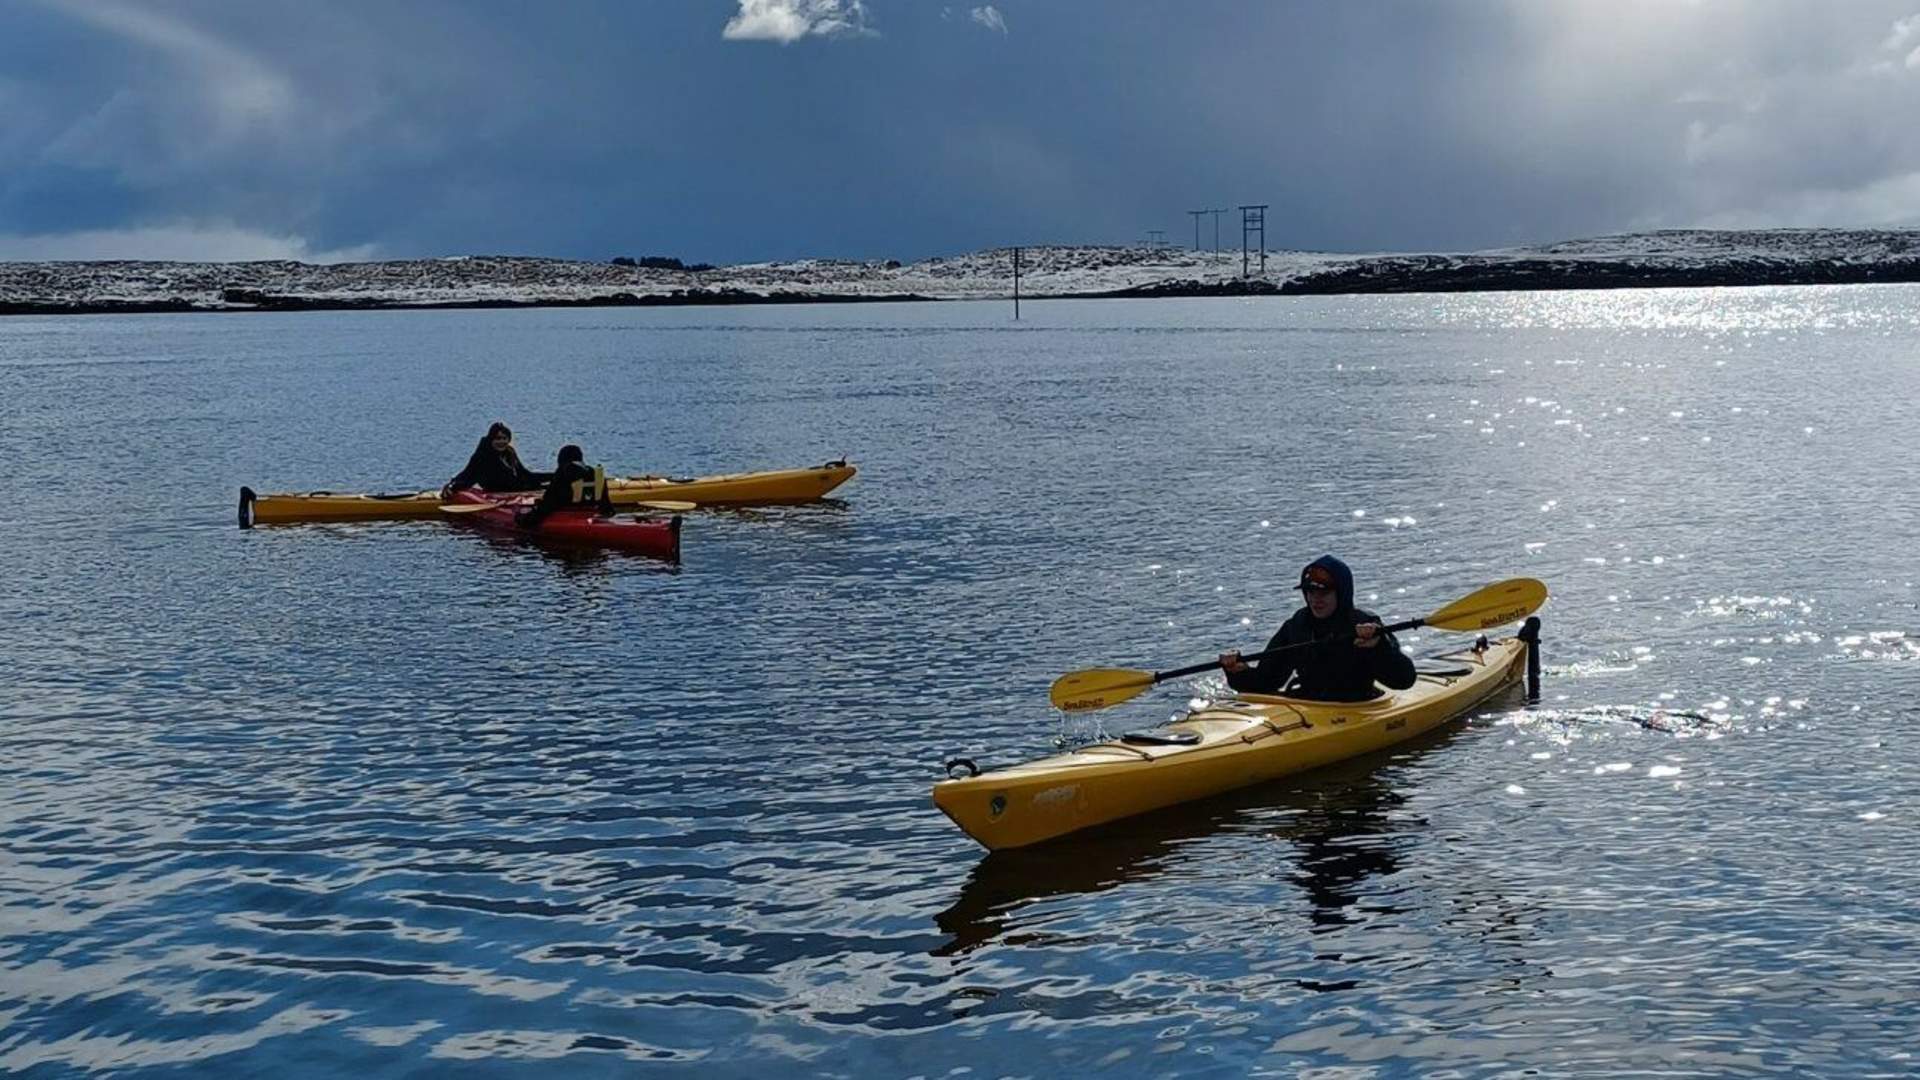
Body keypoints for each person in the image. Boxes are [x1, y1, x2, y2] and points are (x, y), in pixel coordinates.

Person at [1218, 555, 1417, 702]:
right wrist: (1238, 671)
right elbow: (1266, 681)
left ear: (1341, 593)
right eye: (1310, 592)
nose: (1315, 599)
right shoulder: (1296, 625)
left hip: (1356, 706)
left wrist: (1377, 646)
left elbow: (1404, 680)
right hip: (1308, 705)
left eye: (1324, 592)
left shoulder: (1364, 625)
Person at [441, 422, 549, 498]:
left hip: (517, 489)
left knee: (549, 485)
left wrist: (554, 476)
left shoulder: (509, 452)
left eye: (504, 438)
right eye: (497, 438)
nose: (501, 442)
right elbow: (468, 474)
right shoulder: (483, 455)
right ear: (490, 439)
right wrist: (452, 486)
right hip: (496, 492)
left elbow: (525, 474)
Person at [515, 444, 608, 528]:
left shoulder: (563, 472)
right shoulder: (593, 472)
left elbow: (549, 501)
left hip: (565, 511)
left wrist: (527, 520)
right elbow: (605, 502)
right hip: (589, 510)